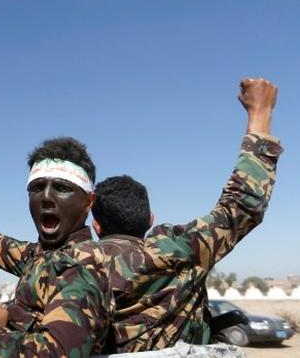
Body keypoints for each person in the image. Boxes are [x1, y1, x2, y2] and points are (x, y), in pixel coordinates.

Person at [91, 77, 281, 353]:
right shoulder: (177, 251)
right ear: (150, 219)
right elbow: (242, 207)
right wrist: (260, 114)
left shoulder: (75, 267)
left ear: (96, 225)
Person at [0, 137, 114, 357]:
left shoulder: (81, 266)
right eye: (37, 187)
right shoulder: (41, 254)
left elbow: (54, 352)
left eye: (61, 188)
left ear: (89, 202)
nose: (47, 197)